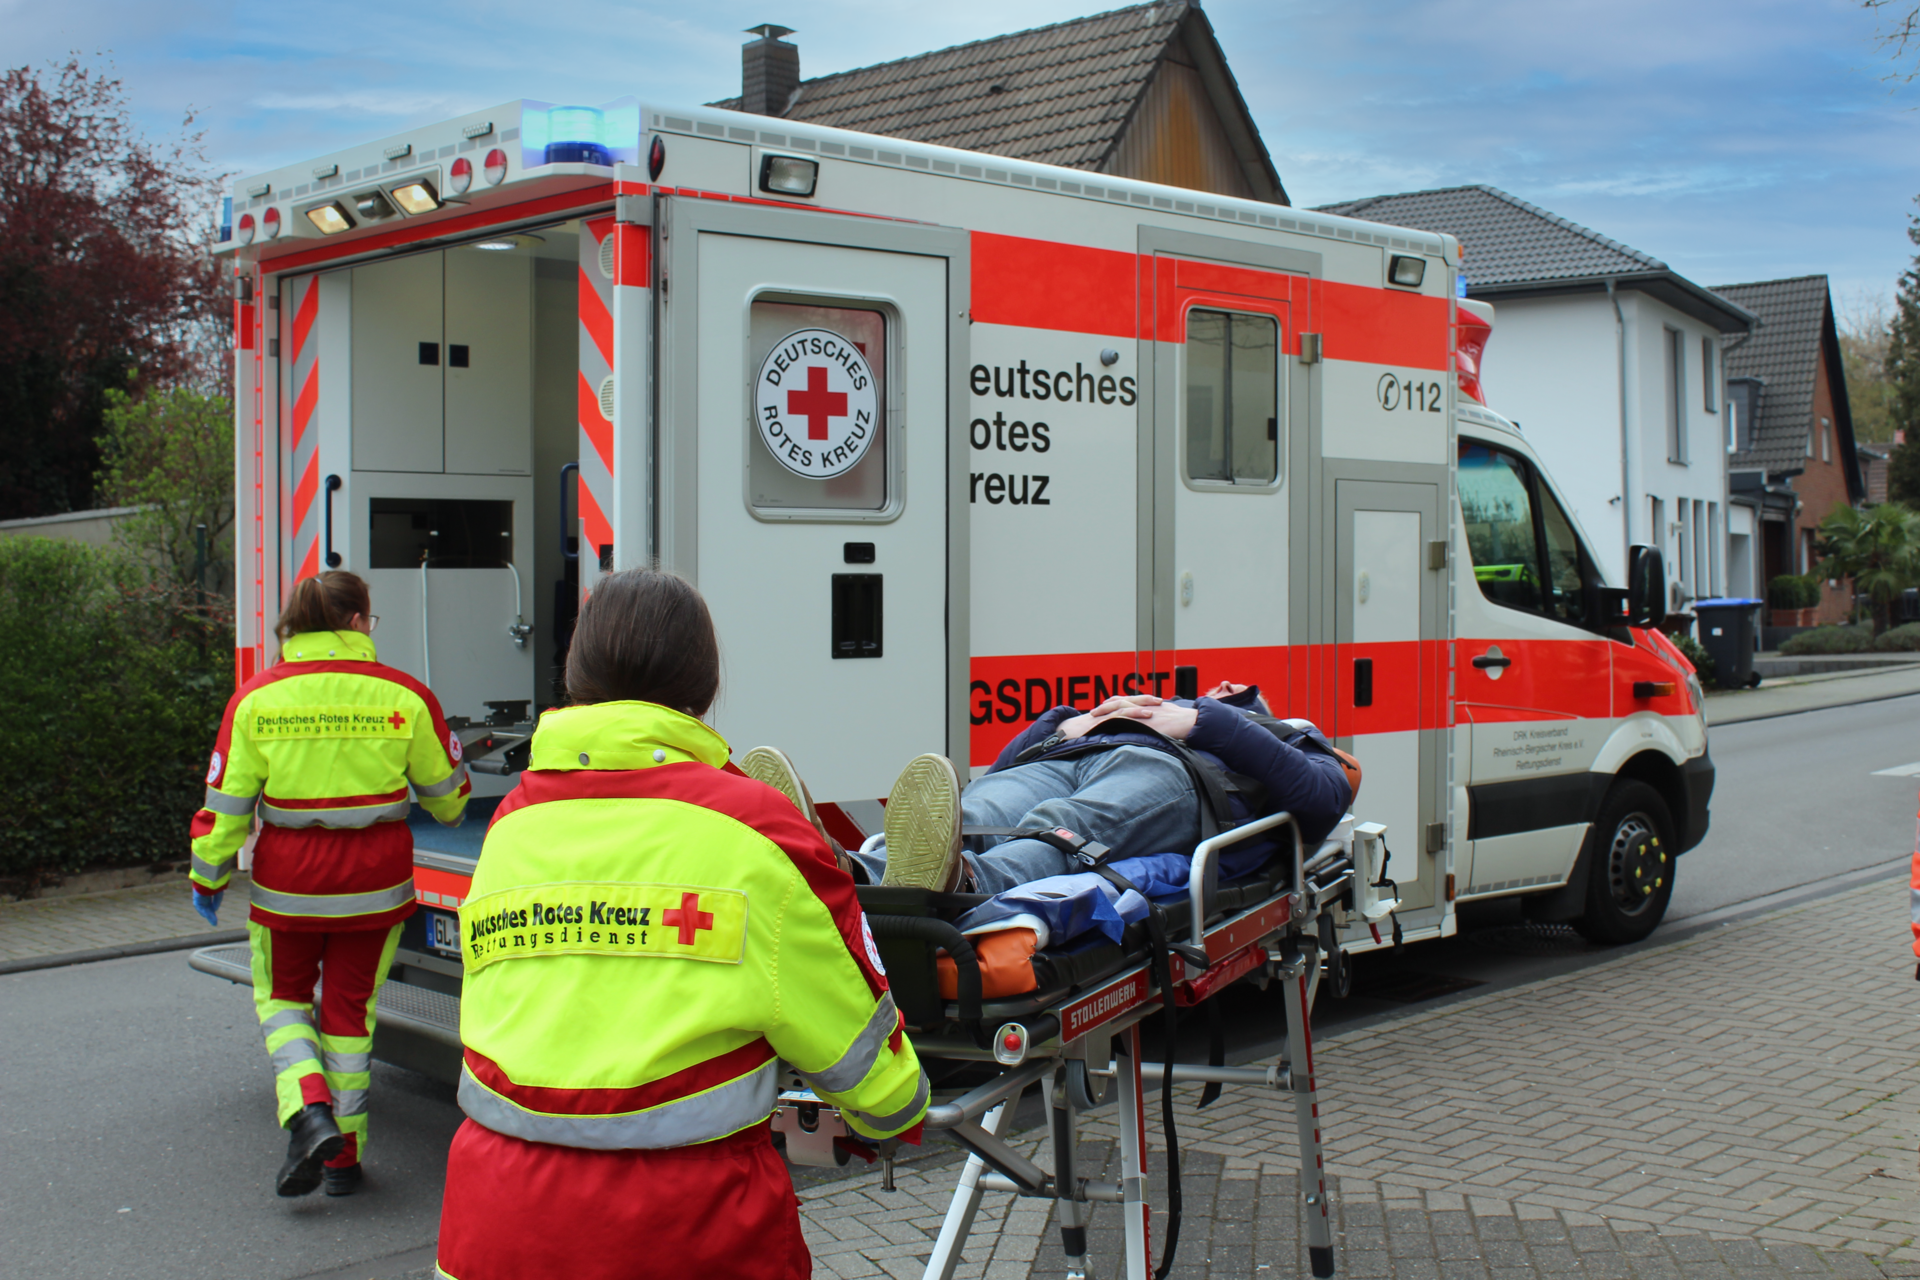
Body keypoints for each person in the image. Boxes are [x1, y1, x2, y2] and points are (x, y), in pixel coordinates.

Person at [435, 569, 927, 1280]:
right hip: (683, 1236)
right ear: (705, 686)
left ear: (576, 675)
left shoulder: (514, 822)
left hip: (491, 1231)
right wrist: (892, 1112)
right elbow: (876, 1084)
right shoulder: (754, 830)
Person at [190, 570, 470, 1197]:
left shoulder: (256, 700)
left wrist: (206, 876)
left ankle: (309, 1111)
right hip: (376, 889)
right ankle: (342, 1159)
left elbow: (225, 807)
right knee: (350, 1016)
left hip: (288, 888)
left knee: (284, 1003)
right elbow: (449, 803)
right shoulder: (405, 695)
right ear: (354, 624)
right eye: (370, 620)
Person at [779, 682, 1355, 897]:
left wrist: (1203, 722)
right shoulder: (1141, 708)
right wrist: (1062, 723)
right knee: (974, 810)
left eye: (1234, 690)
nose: (1224, 683)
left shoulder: (1286, 736)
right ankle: (849, 870)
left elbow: (1323, 799)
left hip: (1173, 777)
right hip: (1072, 752)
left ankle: (968, 883)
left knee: (1064, 825)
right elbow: (1004, 772)